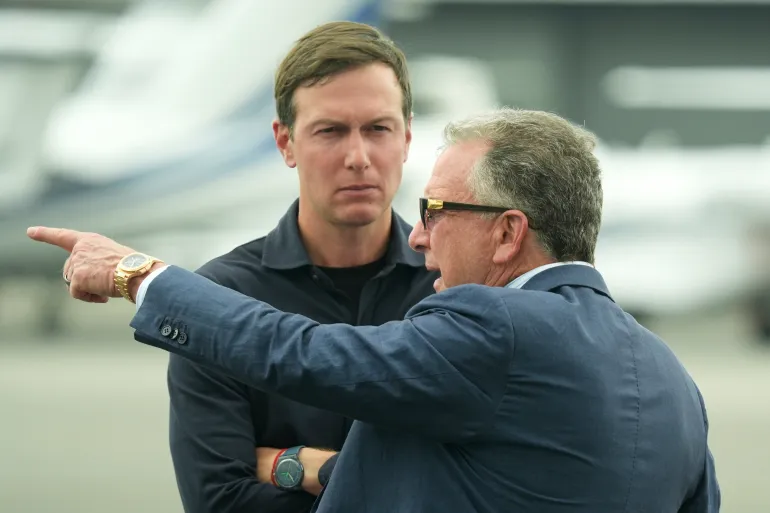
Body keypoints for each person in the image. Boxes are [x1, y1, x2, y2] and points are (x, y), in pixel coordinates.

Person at [28, 107, 721, 512]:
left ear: (508, 233)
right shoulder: (672, 379)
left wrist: (139, 276)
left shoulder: (494, 328)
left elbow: (300, 352)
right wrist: (298, 465)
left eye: (436, 211)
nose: (418, 236)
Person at [127, 21, 437, 513]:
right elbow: (219, 501)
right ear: (285, 142)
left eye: (378, 129)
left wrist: (295, 465)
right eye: (330, 131)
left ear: (407, 137)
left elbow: (493, 478)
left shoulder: (453, 285)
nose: (358, 157)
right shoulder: (219, 296)